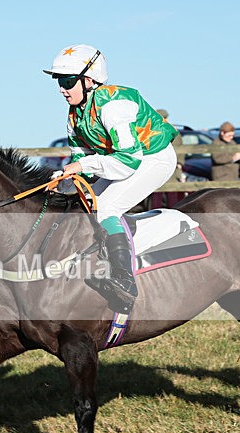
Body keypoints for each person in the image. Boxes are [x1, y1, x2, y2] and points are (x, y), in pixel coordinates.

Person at [44, 44, 178, 309]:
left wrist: (81, 167)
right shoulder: (75, 115)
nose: (62, 88)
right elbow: (82, 163)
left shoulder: (112, 106)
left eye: (68, 81)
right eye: (59, 81)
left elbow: (128, 161)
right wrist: (63, 180)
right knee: (86, 204)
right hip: (124, 160)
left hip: (153, 157)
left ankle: (125, 280)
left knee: (106, 208)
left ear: (89, 80)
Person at [150, 108, 188, 208]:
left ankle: (173, 213)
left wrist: (179, 164)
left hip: (171, 166)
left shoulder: (172, 131)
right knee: (156, 194)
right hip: (158, 166)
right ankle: (154, 213)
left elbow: (180, 149)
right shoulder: (152, 130)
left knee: (172, 194)